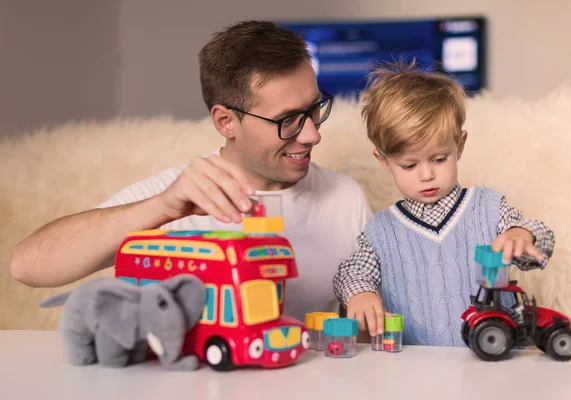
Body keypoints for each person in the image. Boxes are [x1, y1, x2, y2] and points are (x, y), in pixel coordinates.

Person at [9, 20, 373, 322]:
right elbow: (27, 266)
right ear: (226, 121)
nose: (313, 134)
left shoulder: (345, 198)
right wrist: (163, 207)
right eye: (288, 120)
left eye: (314, 108)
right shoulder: (174, 199)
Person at [332, 61, 555, 346]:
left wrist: (523, 236)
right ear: (384, 162)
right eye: (409, 165)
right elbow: (352, 271)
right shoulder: (381, 230)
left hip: (494, 360)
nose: (427, 175)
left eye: (439, 159)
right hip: (416, 370)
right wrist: (361, 292)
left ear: (459, 146)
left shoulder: (488, 208)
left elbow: (538, 238)